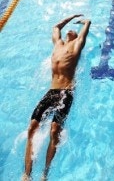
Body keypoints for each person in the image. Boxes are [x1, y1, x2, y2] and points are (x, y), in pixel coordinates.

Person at [22, 14, 91, 181]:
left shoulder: (76, 45)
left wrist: (84, 21)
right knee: (32, 128)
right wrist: (71, 16)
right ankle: (26, 174)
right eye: (70, 29)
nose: (71, 30)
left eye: (75, 31)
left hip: (66, 93)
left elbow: (87, 25)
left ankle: (45, 174)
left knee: (54, 131)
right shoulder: (58, 44)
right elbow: (56, 28)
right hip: (51, 91)